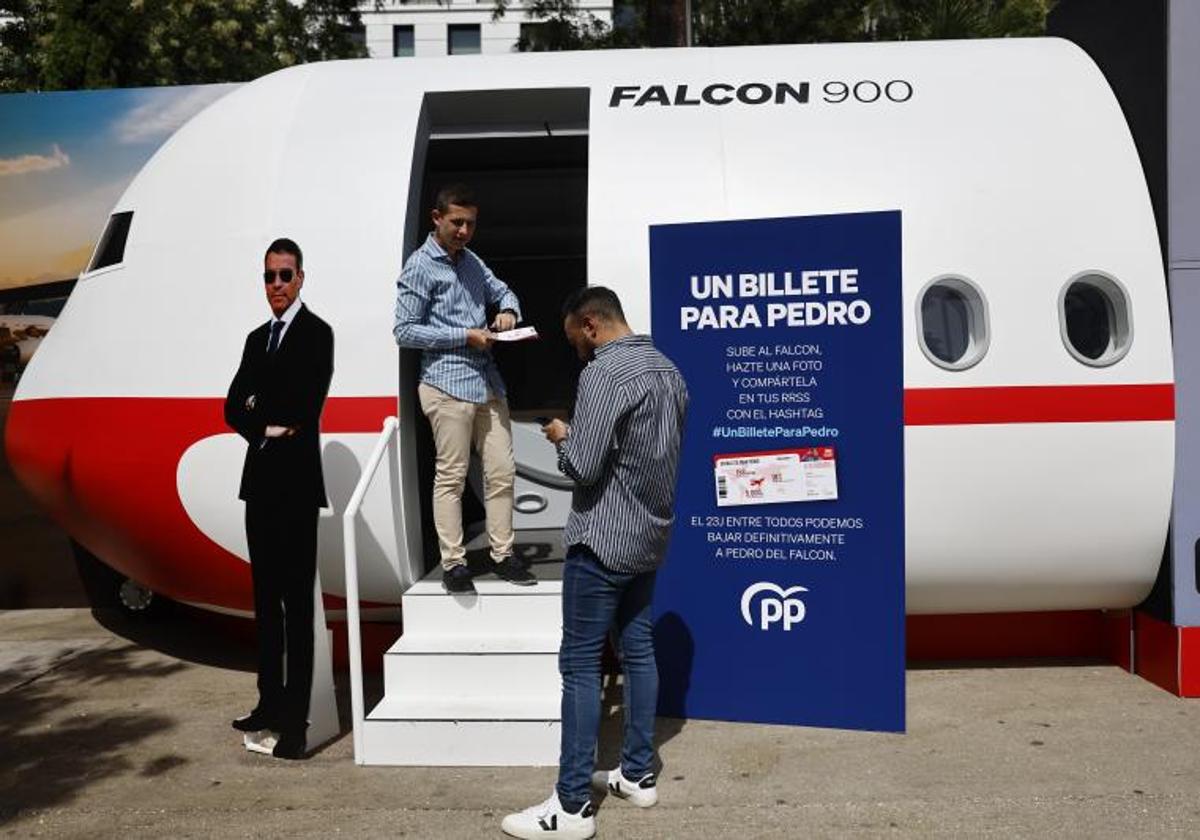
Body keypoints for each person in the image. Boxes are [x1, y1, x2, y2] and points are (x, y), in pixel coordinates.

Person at [502, 287, 689, 840]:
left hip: (602, 539)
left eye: (574, 342)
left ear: (590, 325)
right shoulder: (669, 371)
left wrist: (562, 436)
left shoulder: (605, 373)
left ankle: (570, 806)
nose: (577, 354)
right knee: (639, 652)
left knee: (580, 666)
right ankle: (637, 774)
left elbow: (583, 466)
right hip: (648, 537)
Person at [393, 183, 534, 593]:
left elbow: (502, 289)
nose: (463, 231)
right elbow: (404, 331)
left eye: (470, 223)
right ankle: (453, 564)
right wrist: (464, 335)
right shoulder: (419, 266)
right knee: (451, 476)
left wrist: (508, 310)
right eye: (456, 222)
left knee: (501, 471)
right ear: (436, 218)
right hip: (446, 381)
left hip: (487, 380)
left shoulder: (471, 261)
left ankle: (503, 554)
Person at [224, 237, 334, 760]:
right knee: (264, 602)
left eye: (285, 276)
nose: (276, 286)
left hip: (295, 488)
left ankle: (294, 725)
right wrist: (262, 419)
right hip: (260, 485)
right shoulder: (254, 339)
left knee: (295, 607)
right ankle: (269, 703)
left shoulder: (317, 335)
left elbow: (303, 406)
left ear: (301, 278)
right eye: (269, 277)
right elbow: (231, 406)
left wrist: (260, 405)